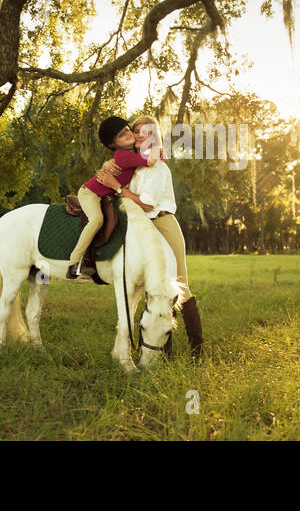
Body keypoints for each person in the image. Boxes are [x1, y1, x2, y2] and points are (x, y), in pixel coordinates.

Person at [94, 115, 204, 359]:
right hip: (142, 226)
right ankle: (163, 348)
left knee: (179, 286)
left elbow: (145, 203)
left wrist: (118, 187)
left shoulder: (158, 167)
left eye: (148, 133)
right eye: (138, 132)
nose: (142, 136)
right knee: (151, 287)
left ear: (156, 137)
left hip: (163, 222)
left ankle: (198, 348)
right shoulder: (134, 165)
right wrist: (107, 169)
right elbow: (116, 174)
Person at [67, 116, 159, 279]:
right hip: (90, 193)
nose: (128, 134)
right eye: (121, 135)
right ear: (112, 145)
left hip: (106, 194)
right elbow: (151, 160)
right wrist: (159, 147)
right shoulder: (124, 156)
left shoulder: (128, 154)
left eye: (127, 129)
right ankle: (74, 262)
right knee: (97, 220)